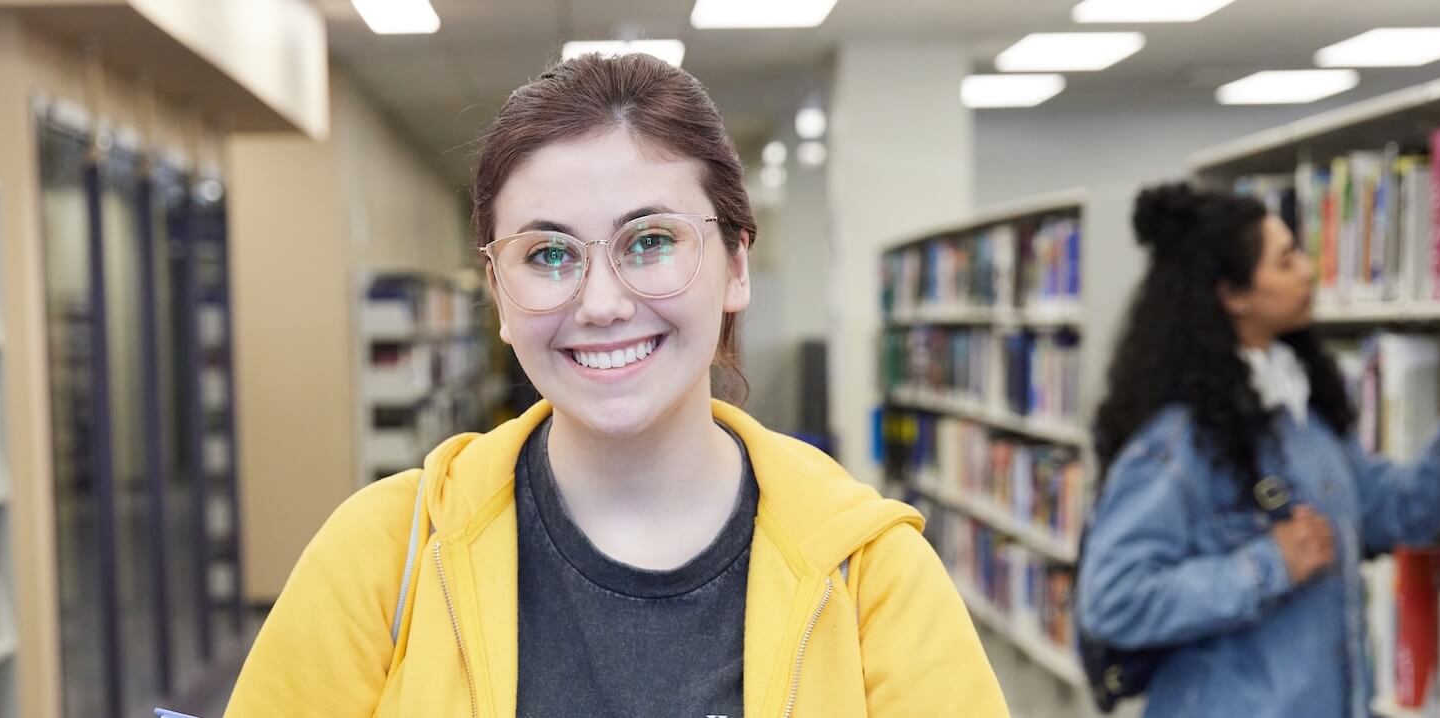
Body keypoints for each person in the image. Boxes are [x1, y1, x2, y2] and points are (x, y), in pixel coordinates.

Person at [224, 53, 1010, 717]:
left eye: (652, 240)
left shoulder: (872, 579)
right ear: (497, 293)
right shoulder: (379, 558)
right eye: (549, 254)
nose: (601, 304)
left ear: (736, 266)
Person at [1075, 183, 1440, 717]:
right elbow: (1111, 600)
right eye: (1285, 261)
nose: (1308, 271)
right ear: (1234, 295)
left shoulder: (1304, 416)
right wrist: (1269, 565)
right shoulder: (1177, 443)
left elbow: (1401, 512)